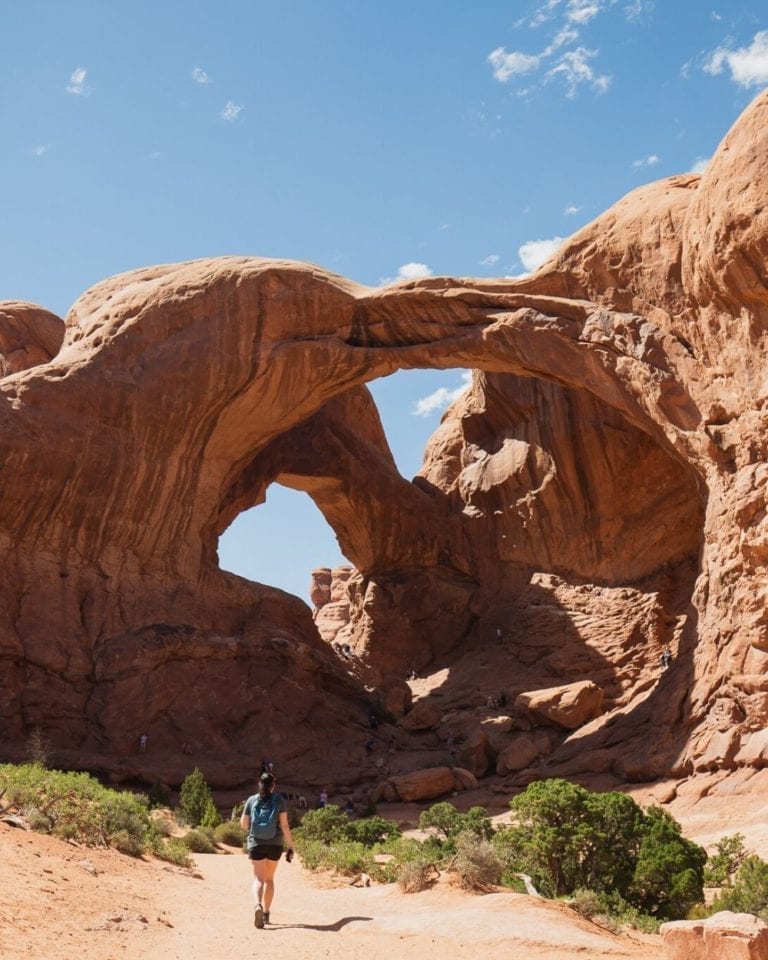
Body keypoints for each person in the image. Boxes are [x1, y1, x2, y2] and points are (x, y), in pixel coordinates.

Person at [240, 772, 295, 929]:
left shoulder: (251, 800)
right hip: (275, 844)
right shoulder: (279, 801)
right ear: (273, 785)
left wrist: (253, 830)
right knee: (269, 879)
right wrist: (291, 846)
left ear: (259, 784)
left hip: (256, 843)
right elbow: (284, 825)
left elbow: (244, 824)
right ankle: (266, 913)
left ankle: (257, 905)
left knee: (258, 878)